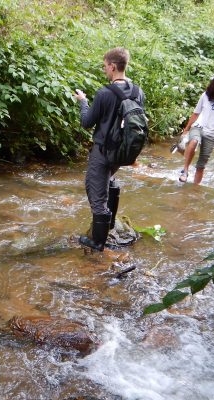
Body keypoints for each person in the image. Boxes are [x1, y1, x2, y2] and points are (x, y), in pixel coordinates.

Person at [74, 47, 145, 252]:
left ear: (113, 67)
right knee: (109, 180)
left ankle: (98, 243)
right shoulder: (138, 91)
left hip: (103, 151)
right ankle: (111, 223)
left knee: (96, 195)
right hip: (122, 152)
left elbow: (87, 122)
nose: (105, 70)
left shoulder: (104, 94)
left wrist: (83, 102)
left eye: (105, 66)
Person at [178, 72, 214, 185]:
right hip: (198, 126)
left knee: (201, 165)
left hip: (212, 133)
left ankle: (195, 189)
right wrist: (186, 129)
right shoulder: (206, 95)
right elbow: (196, 113)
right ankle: (185, 170)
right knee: (194, 141)